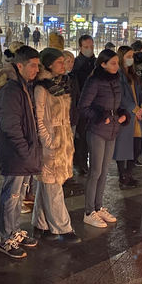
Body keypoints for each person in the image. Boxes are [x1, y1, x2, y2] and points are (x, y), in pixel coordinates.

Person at [0, 46, 42, 258]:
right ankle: (6, 238)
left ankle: (14, 231)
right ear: (20, 65)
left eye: (38, 66)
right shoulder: (12, 90)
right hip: (16, 154)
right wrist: (25, 149)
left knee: (19, 195)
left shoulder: (24, 86)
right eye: (32, 65)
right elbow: (11, 126)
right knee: (12, 196)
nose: (36, 70)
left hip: (24, 153)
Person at [31, 48, 80, 243]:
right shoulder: (41, 88)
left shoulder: (61, 85)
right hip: (51, 144)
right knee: (52, 186)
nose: (64, 65)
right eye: (60, 62)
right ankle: (62, 227)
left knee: (48, 184)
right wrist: (49, 141)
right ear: (50, 64)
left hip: (62, 142)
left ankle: (40, 224)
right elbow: (39, 118)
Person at [78, 49, 127, 227]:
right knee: (96, 171)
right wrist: (100, 116)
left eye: (117, 63)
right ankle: (89, 211)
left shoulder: (116, 80)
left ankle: (98, 207)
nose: (117, 66)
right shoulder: (94, 81)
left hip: (112, 130)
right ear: (103, 64)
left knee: (105, 171)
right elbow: (83, 107)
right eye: (113, 63)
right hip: (97, 130)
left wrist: (122, 114)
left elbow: (118, 104)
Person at [113, 46, 142, 188]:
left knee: (136, 147)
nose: (131, 59)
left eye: (132, 56)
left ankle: (129, 173)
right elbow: (121, 96)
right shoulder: (117, 75)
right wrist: (135, 108)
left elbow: (139, 92)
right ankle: (123, 176)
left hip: (137, 117)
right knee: (122, 147)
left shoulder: (134, 76)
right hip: (126, 116)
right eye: (128, 56)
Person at [72, 34, 96, 175]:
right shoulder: (77, 64)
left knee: (90, 136)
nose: (89, 49)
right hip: (81, 106)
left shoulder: (97, 62)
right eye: (86, 47)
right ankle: (80, 162)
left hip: (94, 105)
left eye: (91, 46)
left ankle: (86, 161)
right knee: (80, 136)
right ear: (80, 47)